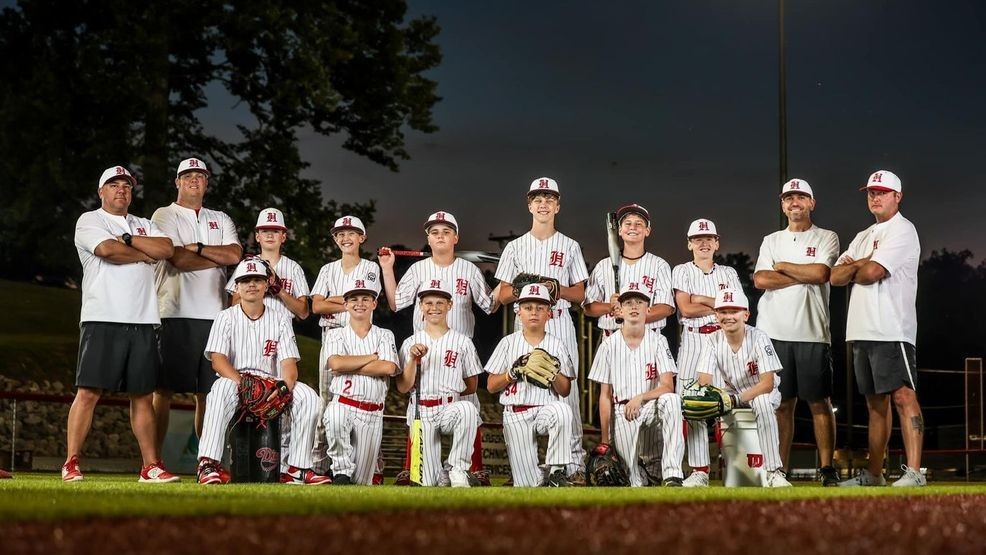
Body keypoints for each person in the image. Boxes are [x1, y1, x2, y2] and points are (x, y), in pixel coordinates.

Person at [64, 165, 178, 483]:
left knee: (142, 396)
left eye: (126, 186)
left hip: (142, 320)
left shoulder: (143, 224)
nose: (121, 190)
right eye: (114, 185)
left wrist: (128, 240)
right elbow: (105, 250)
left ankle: (150, 466)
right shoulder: (90, 220)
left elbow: (166, 250)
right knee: (88, 392)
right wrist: (143, 252)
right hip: (102, 317)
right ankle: (71, 462)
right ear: (101, 191)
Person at [379, 210, 498, 485]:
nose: (440, 236)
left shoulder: (468, 270)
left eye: (446, 231)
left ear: (456, 237)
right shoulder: (418, 269)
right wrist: (387, 268)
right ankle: (413, 466)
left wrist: (504, 284)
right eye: (434, 232)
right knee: (418, 408)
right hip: (425, 352)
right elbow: (397, 302)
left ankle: (472, 467)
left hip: (460, 350)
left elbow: (490, 305)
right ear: (428, 239)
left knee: (469, 408)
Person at [195, 259, 328, 485]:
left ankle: (296, 468)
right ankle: (208, 463)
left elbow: (289, 365)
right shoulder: (225, 317)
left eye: (257, 280)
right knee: (219, 389)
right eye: (245, 281)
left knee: (309, 398)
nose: (251, 285)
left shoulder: (280, 319)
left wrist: (284, 386)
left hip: (272, 383)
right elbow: (218, 361)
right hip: (235, 380)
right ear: (236, 287)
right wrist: (243, 383)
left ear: (267, 286)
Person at [831, 170, 924, 487]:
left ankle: (913, 472)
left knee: (903, 397)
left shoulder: (903, 230)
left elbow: (871, 272)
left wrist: (858, 264)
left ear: (897, 196)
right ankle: (874, 474)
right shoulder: (862, 235)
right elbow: (835, 277)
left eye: (882, 192)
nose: (875, 196)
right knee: (874, 405)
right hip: (861, 329)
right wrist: (861, 263)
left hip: (891, 329)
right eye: (871, 191)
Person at [494, 177, 588, 483]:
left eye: (549, 198)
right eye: (538, 198)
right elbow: (503, 294)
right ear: (529, 204)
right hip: (525, 323)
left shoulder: (570, 245)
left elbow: (582, 295)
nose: (543, 203)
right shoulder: (515, 246)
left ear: (557, 205)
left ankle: (571, 468)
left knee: (565, 394)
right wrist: (524, 287)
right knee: (523, 382)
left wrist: (556, 287)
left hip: (559, 319)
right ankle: (525, 466)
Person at [753, 179, 840, 486]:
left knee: (819, 403)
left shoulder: (827, 236)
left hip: (813, 332)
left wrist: (785, 267)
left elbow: (821, 273)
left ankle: (827, 468)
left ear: (812, 203)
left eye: (801, 197)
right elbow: (761, 279)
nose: (794, 202)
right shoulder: (771, 239)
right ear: (782, 205)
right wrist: (801, 274)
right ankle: (779, 471)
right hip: (773, 333)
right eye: (789, 198)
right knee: (782, 405)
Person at [152, 158, 242, 451]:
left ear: (206, 182)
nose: (194, 180)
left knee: (208, 393)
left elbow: (234, 256)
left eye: (200, 176)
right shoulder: (164, 215)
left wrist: (199, 249)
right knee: (163, 390)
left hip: (215, 315)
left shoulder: (221, 217)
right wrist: (214, 256)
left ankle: (208, 460)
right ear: (177, 182)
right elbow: (177, 258)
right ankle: (152, 461)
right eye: (187, 175)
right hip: (173, 312)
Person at [583, 203, 674, 482]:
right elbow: (589, 307)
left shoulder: (658, 265)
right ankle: (611, 447)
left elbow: (667, 307)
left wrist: (634, 318)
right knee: (611, 398)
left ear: (647, 229)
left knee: (658, 403)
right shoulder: (603, 266)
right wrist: (610, 307)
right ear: (619, 231)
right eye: (627, 223)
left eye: (638, 223)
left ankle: (661, 468)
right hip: (612, 339)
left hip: (650, 343)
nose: (632, 227)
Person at [588, 282, 685, 487]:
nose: (634, 306)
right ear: (619, 309)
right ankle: (641, 473)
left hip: (650, 407)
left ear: (648, 309)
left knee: (672, 400)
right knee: (632, 481)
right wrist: (605, 440)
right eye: (628, 302)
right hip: (622, 411)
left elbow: (668, 386)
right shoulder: (608, 344)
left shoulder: (658, 341)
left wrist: (640, 397)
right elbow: (605, 396)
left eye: (639, 302)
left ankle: (672, 474)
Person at [694, 288, 792, 488]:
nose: (728, 316)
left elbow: (767, 383)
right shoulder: (711, 339)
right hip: (730, 393)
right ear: (716, 315)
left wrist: (735, 400)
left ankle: (774, 472)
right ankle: (700, 472)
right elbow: (704, 380)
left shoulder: (759, 337)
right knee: (693, 404)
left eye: (734, 311)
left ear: (746, 315)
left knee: (763, 402)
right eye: (723, 311)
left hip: (762, 392)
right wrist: (710, 400)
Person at [671, 218, 742, 487]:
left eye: (708, 238)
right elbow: (686, 309)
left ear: (717, 242)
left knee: (728, 403)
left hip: (724, 341)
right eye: (698, 239)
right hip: (693, 342)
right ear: (689, 244)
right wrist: (719, 306)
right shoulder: (681, 270)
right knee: (692, 405)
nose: (703, 243)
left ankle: (735, 468)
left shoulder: (729, 273)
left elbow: (736, 309)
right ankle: (699, 471)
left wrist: (701, 298)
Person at [394, 278, 483, 487]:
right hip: (421, 410)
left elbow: (471, 385)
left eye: (440, 303)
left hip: (450, 407)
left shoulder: (462, 341)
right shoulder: (410, 342)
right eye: (428, 303)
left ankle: (457, 468)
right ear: (421, 306)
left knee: (468, 409)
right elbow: (402, 387)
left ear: (449, 305)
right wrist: (413, 361)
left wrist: (450, 392)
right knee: (427, 483)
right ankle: (442, 474)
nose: (434, 308)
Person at [309, 215, 381, 473]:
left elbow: (365, 302)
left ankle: (372, 463)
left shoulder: (371, 268)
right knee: (327, 401)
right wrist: (352, 299)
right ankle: (318, 466)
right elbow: (317, 305)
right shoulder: (328, 269)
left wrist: (336, 300)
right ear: (335, 239)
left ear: (362, 238)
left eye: (351, 233)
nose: (345, 237)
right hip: (331, 335)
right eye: (340, 234)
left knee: (365, 397)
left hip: (361, 335)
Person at [486, 284, 576, 487]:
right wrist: (511, 373)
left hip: (546, 410)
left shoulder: (557, 345)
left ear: (549, 314)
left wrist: (553, 373)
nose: (534, 312)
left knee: (562, 410)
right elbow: (491, 385)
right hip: (516, 413)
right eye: (528, 307)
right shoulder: (508, 343)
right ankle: (542, 474)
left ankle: (556, 471)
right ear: (519, 312)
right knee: (527, 485)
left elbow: (565, 389)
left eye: (540, 307)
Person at [321, 278, 400, 485]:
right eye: (354, 299)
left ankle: (344, 477)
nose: (360, 303)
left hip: (372, 413)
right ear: (345, 305)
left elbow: (388, 368)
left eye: (366, 298)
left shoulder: (384, 335)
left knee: (359, 483)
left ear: (374, 304)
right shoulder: (336, 334)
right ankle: (339, 469)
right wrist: (371, 357)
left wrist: (351, 363)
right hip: (344, 403)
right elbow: (336, 364)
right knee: (334, 414)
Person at [226, 208, 310, 321]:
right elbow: (233, 304)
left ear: (283, 237)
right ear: (257, 236)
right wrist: (258, 290)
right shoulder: (245, 265)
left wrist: (279, 290)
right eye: (265, 231)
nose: (270, 235)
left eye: (275, 231)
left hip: (282, 330)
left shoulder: (293, 268)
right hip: (248, 327)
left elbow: (303, 312)